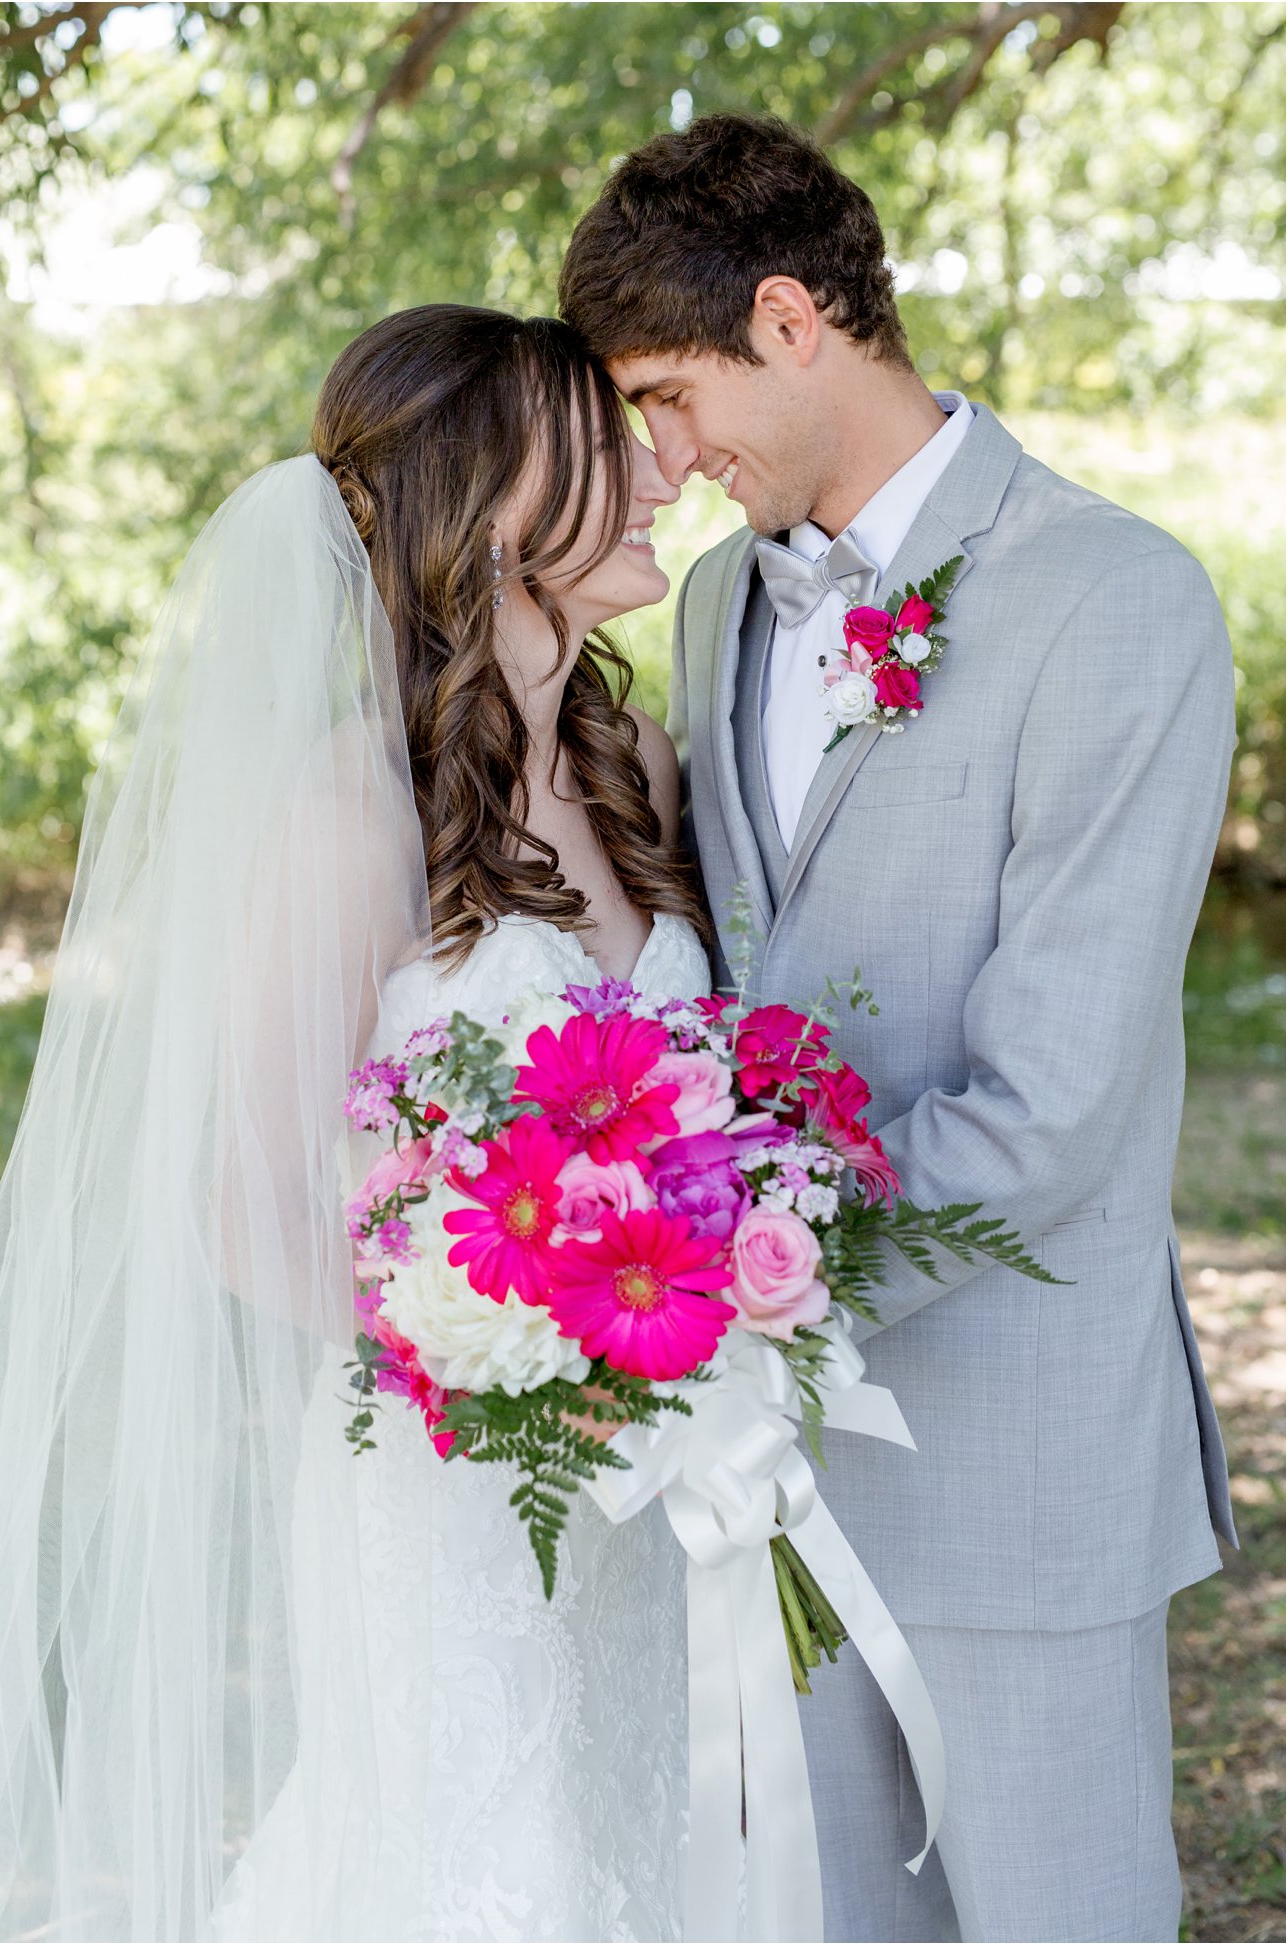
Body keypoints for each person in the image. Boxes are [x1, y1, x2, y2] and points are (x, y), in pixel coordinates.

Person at [560, 112, 1238, 1945]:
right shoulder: (715, 604)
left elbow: (1053, 1105)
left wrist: (717, 1284)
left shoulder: (1117, 600)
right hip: (761, 1483)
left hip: (1008, 1451)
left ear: (790, 320)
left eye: (666, 396)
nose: (663, 463)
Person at [0, 306, 710, 1943]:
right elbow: (242, 1200)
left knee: (629, 1833)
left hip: (640, 1483)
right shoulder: (345, 814)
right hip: (448, 1481)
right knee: (479, 1870)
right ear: (507, 500)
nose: (663, 472)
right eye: (611, 438)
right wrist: (512, 1370)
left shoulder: (637, 771)